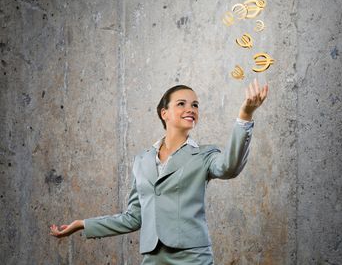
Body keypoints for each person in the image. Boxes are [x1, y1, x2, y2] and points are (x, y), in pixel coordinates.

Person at [50, 78, 268, 264]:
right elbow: (133, 217)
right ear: (165, 113)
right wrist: (83, 224)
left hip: (192, 256)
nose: (191, 109)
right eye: (181, 103)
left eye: (195, 105)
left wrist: (245, 115)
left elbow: (229, 167)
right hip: (153, 257)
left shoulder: (205, 155)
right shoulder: (142, 160)